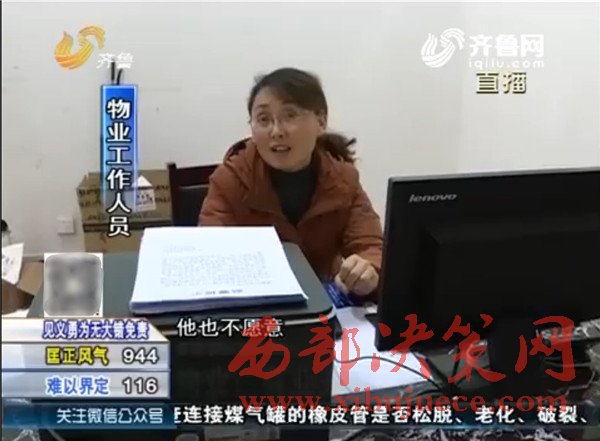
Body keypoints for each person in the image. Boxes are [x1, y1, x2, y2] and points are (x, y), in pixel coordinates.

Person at [199, 68, 383, 298]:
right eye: (264, 119)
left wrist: (367, 270)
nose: (276, 131)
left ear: (321, 121)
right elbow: (211, 253)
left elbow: (369, 245)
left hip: (323, 302)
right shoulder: (230, 179)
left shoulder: (343, 179)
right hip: (255, 303)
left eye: (290, 116)